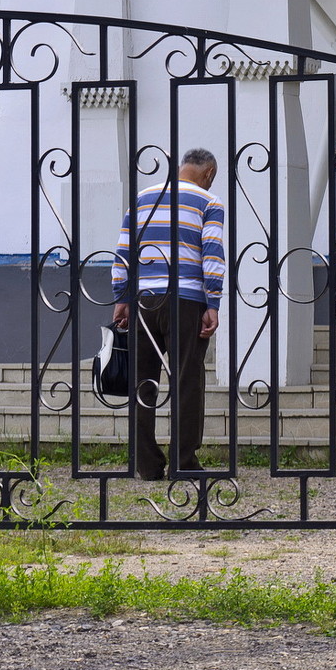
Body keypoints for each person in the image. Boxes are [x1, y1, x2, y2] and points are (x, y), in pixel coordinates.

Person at [111, 148, 224, 480]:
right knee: (187, 378)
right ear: (209, 172)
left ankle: (146, 464)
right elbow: (212, 254)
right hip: (186, 300)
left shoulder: (144, 197)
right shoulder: (209, 201)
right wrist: (212, 303)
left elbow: (123, 250)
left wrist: (123, 296)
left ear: (179, 168)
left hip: (144, 299)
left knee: (142, 381)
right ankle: (183, 462)